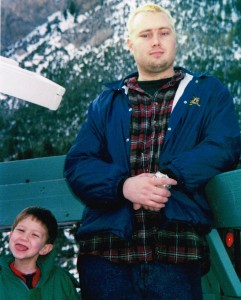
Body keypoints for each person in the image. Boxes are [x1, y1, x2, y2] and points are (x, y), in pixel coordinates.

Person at [64, 3, 241, 300]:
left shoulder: (207, 92)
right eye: (145, 34)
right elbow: (78, 164)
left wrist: (170, 174)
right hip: (107, 251)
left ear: (175, 38)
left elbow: (224, 145)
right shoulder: (106, 102)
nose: (156, 41)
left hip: (175, 248)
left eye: (164, 32)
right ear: (130, 43)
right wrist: (123, 186)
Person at [0, 206, 80, 300]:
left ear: (45, 248)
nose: (24, 238)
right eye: (21, 230)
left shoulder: (61, 280)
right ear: (11, 235)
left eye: (34, 235)